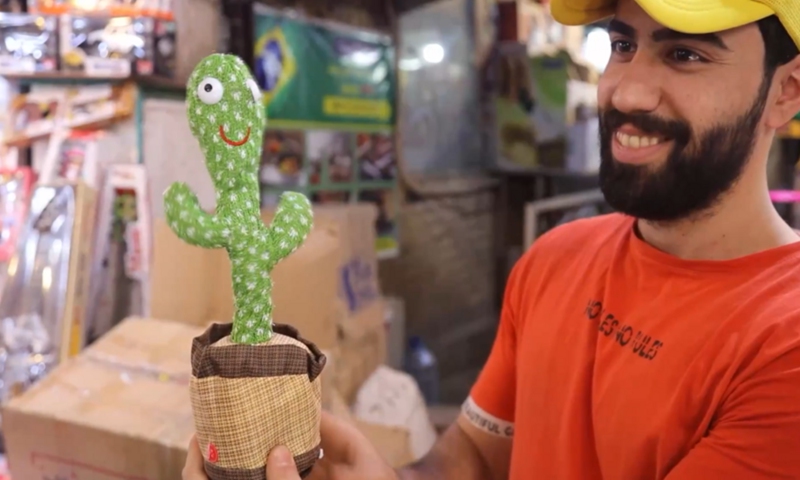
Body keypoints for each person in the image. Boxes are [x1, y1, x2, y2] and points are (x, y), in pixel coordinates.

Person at [183, 0, 800, 478]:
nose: (627, 90)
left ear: (786, 91)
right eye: (623, 45)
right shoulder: (556, 260)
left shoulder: (783, 345)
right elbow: (475, 456)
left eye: (686, 54)